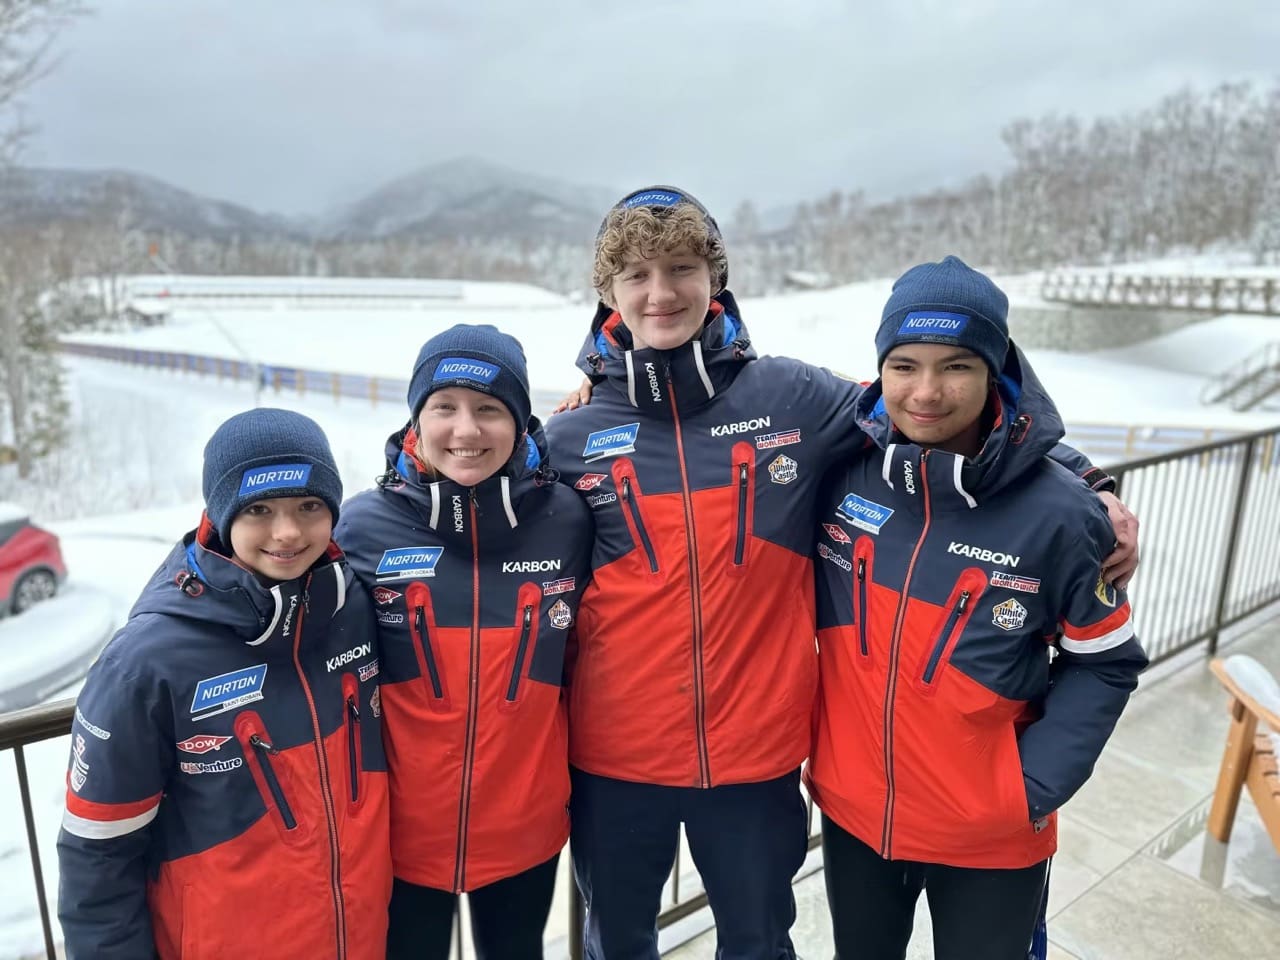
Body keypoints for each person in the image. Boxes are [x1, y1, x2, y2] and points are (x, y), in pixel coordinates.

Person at [544, 186, 1138, 960]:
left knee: (759, 942)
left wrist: (1091, 482)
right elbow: (475, 498)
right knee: (616, 943)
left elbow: (932, 409)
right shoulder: (569, 434)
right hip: (614, 754)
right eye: (637, 275)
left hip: (757, 754)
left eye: (682, 267)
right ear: (608, 292)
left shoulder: (791, 395)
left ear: (715, 277)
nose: (661, 293)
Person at [807, 256, 1149, 960]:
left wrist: (1024, 790)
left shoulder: (1060, 515)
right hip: (854, 816)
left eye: (957, 365)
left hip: (990, 836)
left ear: (996, 370)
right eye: (903, 366)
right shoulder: (843, 468)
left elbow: (1105, 665)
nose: (926, 391)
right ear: (881, 372)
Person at [56, 408, 391, 960]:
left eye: (309, 506)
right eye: (259, 509)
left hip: (357, 938)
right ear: (220, 512)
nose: (287, 532)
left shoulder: (351, 606)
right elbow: (98, 856)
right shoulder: (146, 662)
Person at [335, 324, 594, 960]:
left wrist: (607, 380)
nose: (466, 431)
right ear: (416, 420)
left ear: (521, 421)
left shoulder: (565, 518)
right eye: (443, 407)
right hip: (400, 833)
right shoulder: (363, 525)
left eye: (489, 409)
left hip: (524, 826)